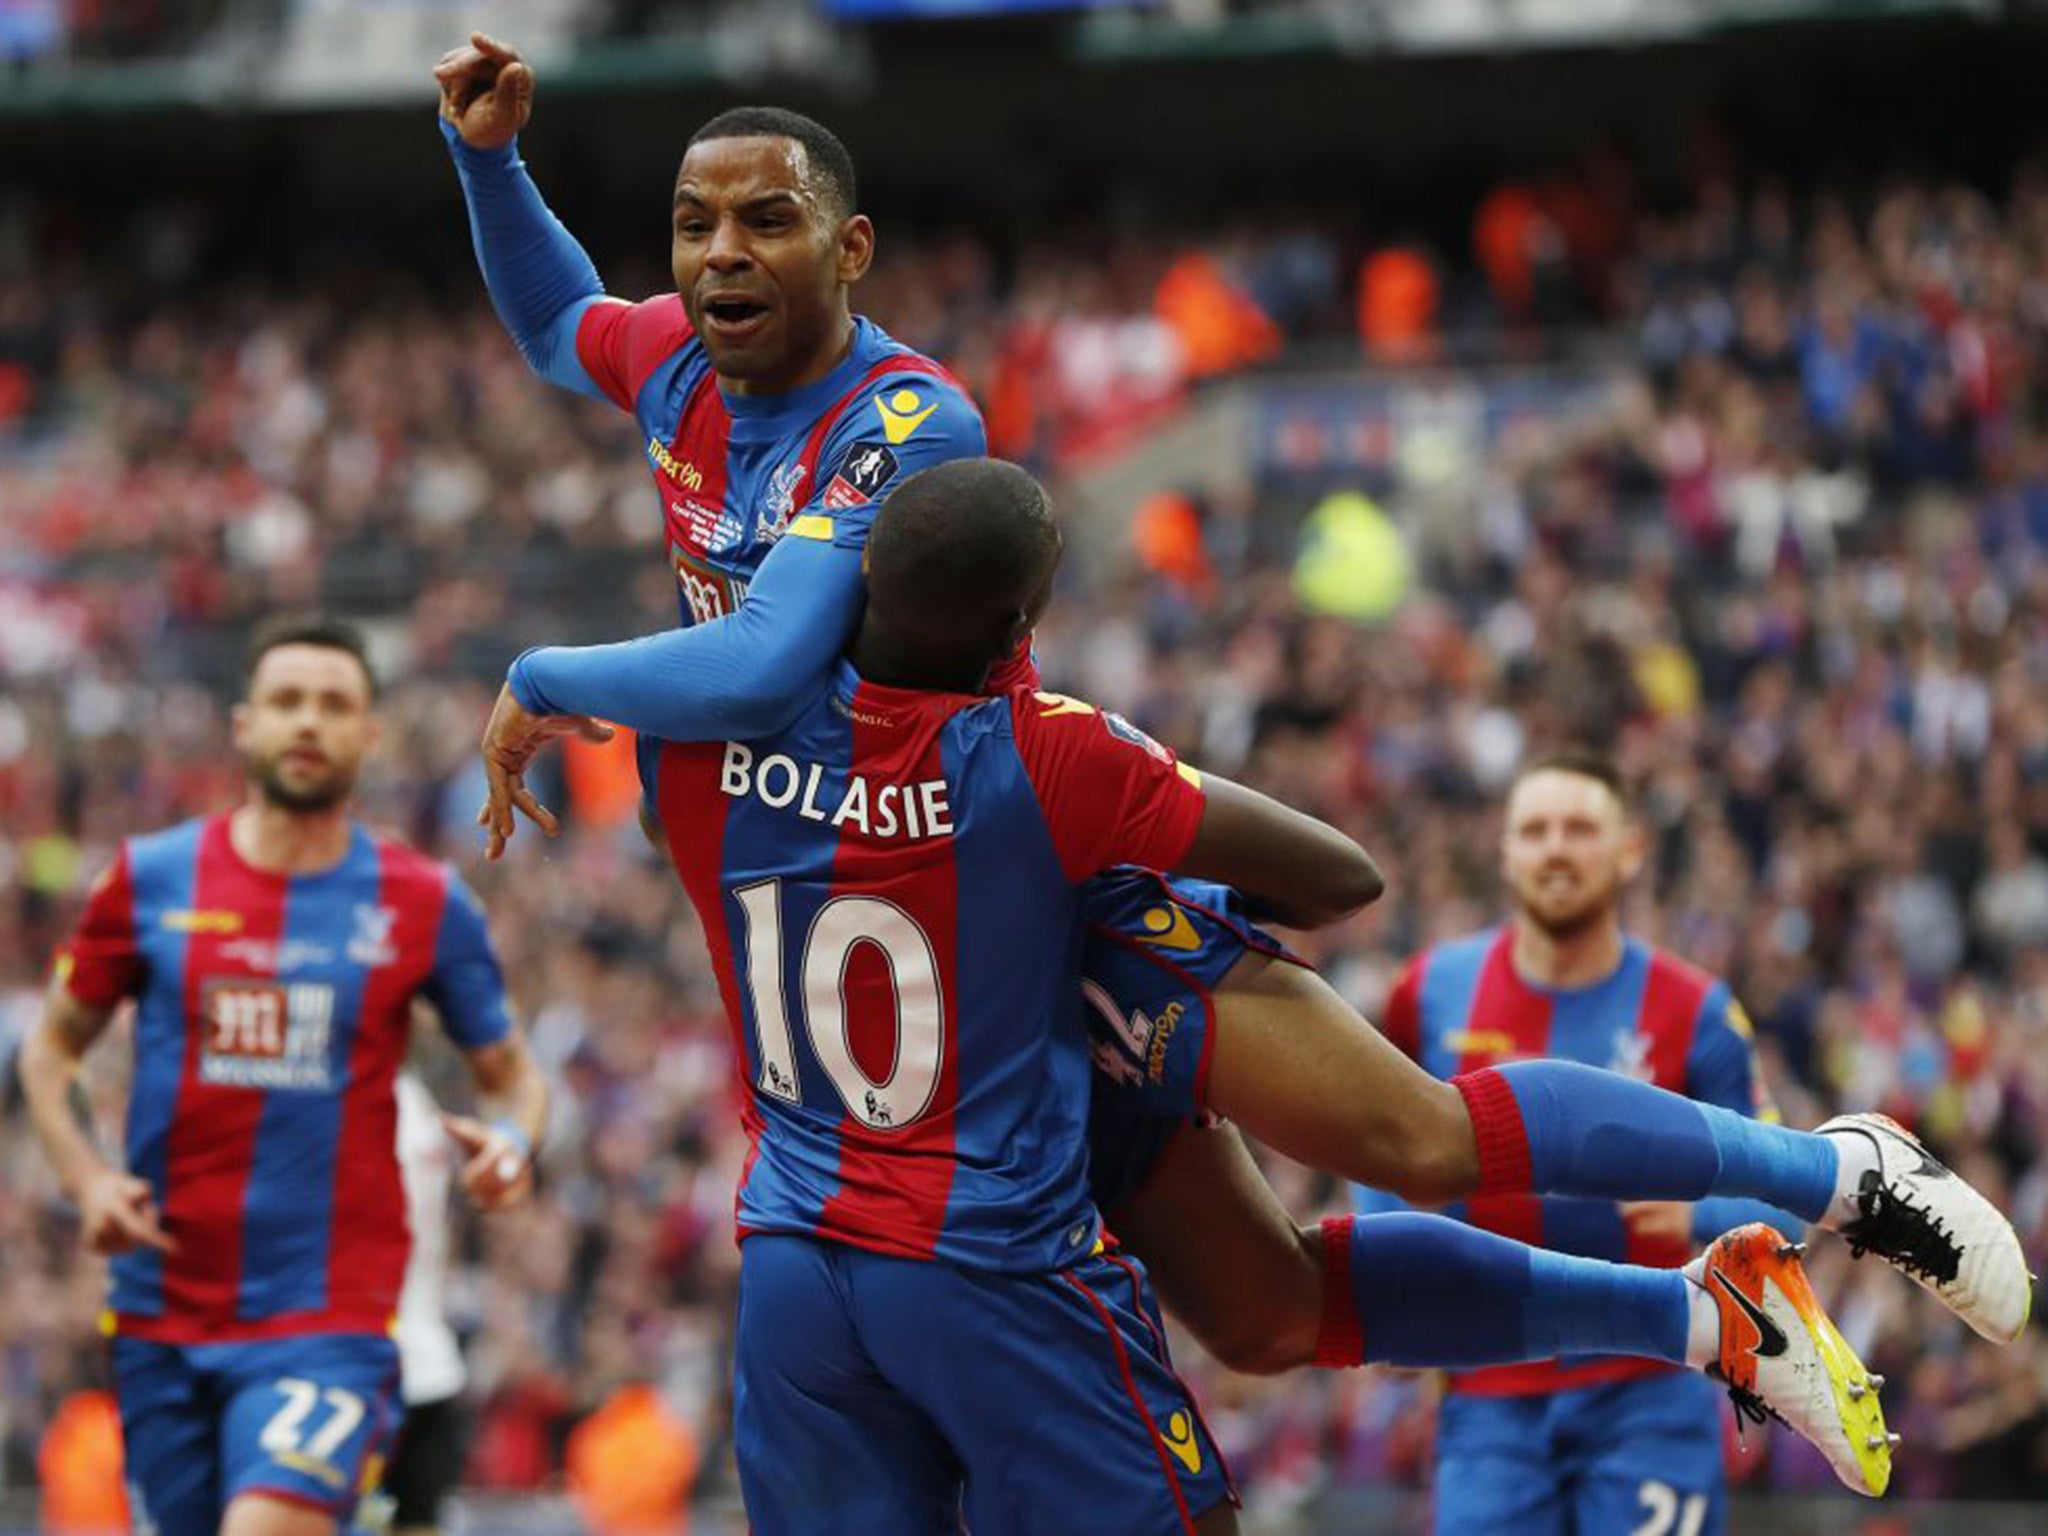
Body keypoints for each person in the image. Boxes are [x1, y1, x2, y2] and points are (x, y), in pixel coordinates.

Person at [432, 38, 2028, 1478]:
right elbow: (557, 318)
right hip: (862, 900)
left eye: (763, 220)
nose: (721, 253)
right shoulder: (677, 369)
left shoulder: (903, 420)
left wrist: (546, 675)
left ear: (847, 247)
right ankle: (1713, 1324)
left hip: (1009, 871)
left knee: (1408, 1135)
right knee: (1262, 1315)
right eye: (696, 225)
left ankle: (1835, 1175)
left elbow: (775, 654)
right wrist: (491, 162)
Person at [1353, 746, 1996, 1533]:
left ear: (1630, 851)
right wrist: (1392, 1292)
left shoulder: (1696, 1008)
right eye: (1536, 829)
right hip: (1484, 1399)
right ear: (1506, 850)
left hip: (1653, 1393)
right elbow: (1372, 1156)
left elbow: (1787, 1211)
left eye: (1581, 828)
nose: (1556, 847)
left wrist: (1689, 1217)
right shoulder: (1428, 991)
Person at [20, 618, 548, 1536]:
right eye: (288, 701)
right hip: (162, 1316)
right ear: (243, 725)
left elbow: (512, 1077)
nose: (309, 722)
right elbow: (49, 1048)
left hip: (329, 1318)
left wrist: (511, 1139)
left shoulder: (420, 901)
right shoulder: (149, 880)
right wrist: (85, 1175)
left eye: (335, 704)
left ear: (369, 734)